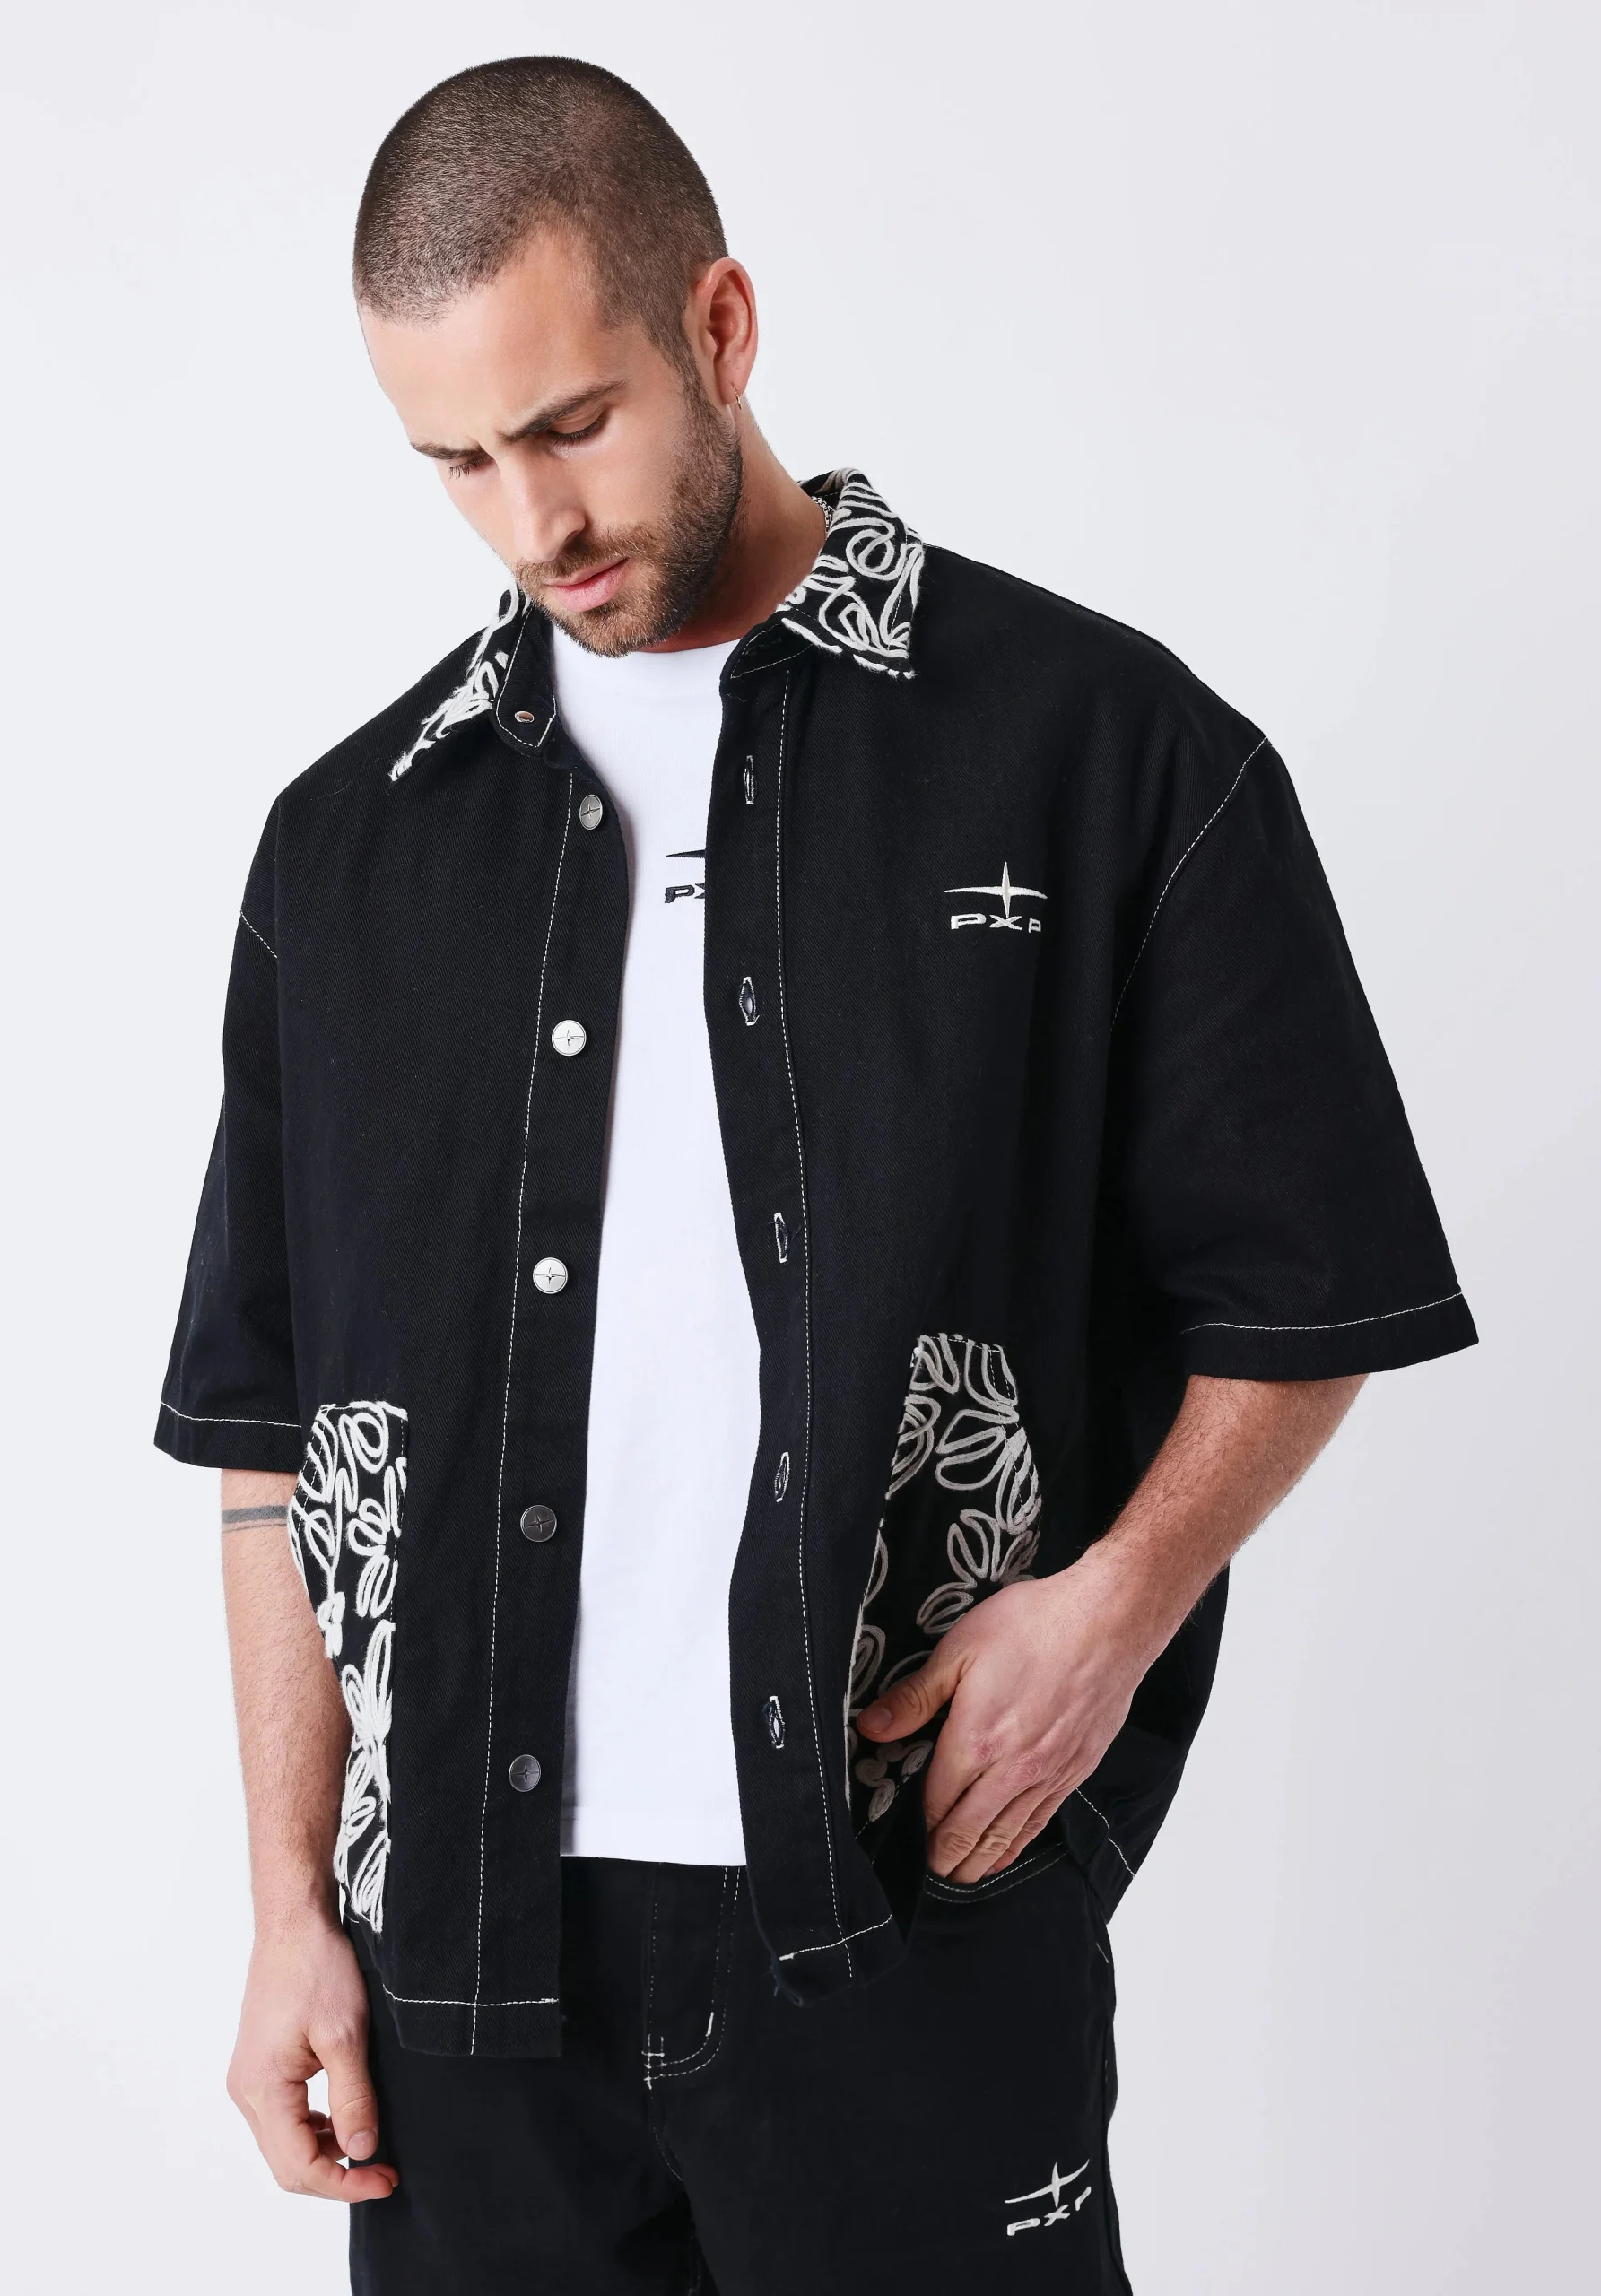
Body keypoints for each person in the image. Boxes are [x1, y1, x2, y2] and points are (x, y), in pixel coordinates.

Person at [155, 55, 1476, 2295]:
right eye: (458, 462)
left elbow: (1307, 1282)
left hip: (906, 1929)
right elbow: (271, 1438)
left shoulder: (1098, 750)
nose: (532, 521)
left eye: (571, 424)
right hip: (455, 1974)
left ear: (722, 324)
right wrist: (289, 1902)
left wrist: (1115, 1605)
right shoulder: (350, 848)